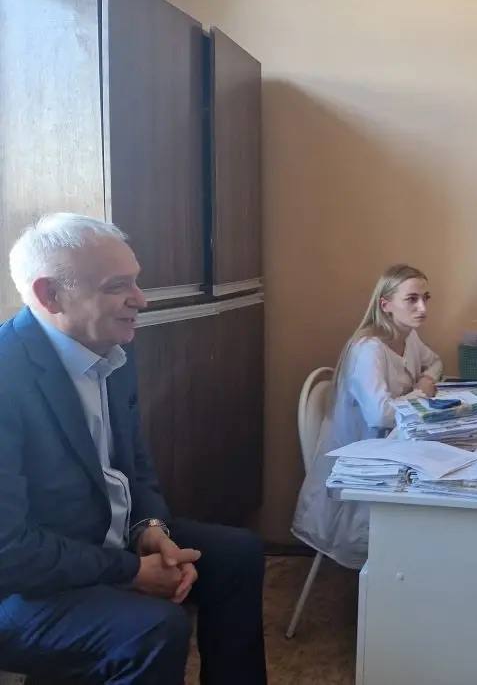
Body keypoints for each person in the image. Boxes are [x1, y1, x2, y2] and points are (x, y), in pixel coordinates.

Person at [0, 214, 267, 684]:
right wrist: (131, 571)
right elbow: (10, 551)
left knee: (238, 554)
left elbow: (134, 468)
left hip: (102, 542)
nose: (140, 300)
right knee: (153, 628)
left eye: (136, 281)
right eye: (117, 286)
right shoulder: (7, 375)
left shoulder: (112, 351)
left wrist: (152, 530)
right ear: (50, 295)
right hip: (22, 587)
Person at [293, 264, 442, 570]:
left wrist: (426, 379)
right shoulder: (368, 349)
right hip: (362, 462)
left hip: (392, 448)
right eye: (411, 299)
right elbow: (381, 415)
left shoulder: (408, 337)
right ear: (386, 305)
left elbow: (435, 362)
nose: (422, 308)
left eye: (425, 298)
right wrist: (422, 392)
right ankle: (405, 577)